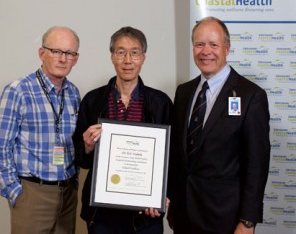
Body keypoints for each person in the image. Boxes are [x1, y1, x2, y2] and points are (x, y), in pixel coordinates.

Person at [167, 16, 270, 234]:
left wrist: (248, 221)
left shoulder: (251, 96)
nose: (206, 51)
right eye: (199, 44)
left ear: (227, 48)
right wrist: (171, 202)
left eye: (213, 44)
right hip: (184, 216)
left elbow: (256, 165)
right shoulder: (183, 92)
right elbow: (178, 156)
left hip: (226, 219)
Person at [72, 26, 173, 234]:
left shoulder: (160, 103)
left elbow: (172, 159)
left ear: (143, 57)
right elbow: (80, 159)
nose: (128, 60)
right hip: (102, 215)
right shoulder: (93, 101)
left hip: (146, 214)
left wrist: (162, 195)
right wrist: (88, 147)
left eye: (134, 53)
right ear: (112, 57)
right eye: (121, 52)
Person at [0, 26, 81, 234]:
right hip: (32, 193)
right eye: (56, 51)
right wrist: (16, 193)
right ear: (42, 53)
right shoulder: (18, 90)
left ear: (76, 58)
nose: (62, 59)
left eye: (69, 53)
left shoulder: (74, 93)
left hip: (67, 194)